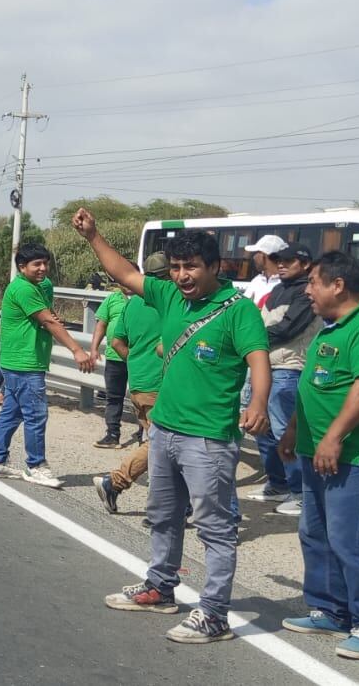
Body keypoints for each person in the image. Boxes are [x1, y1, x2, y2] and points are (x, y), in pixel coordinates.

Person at [75, 211, 270, 645]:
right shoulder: (169, 296)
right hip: (164, 429)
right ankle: (160, 588)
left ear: (214, 267)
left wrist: (258, 402)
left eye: (192, 267)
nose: (182, 275)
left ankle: (214, 614)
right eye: (177, 267)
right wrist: (93, 235)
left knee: (214, 528)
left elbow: (259, 359)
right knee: (163, 516)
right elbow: (123, 272)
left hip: (209, 437)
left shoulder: (238, 311)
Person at [273, 254, 359, 661]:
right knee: (315, 534)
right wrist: (294, 430)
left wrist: (333, 437)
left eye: (313, 282)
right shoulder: (329, 328)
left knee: (352, 541)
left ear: (338, 285)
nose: (307, 291)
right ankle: (330, 611)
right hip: (317, 453)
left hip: (355, 458)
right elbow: (315, 384)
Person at [0, 245, 94, 490]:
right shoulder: (23, 288)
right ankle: (36, 466)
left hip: (21, 360)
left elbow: (49, 314)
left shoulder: (42, 285)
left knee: (12, 413)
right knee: (36, 414)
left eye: (45, 263)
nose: (43, 268)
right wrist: (77, 350)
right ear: (22, 267)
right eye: (36, 264)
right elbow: (48, 321)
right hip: (24, 362)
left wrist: (52, 316)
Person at [245, 241, 321, 516]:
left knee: (284, 433)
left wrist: (250, 339)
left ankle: (301, 493)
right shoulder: (278, 289)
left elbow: (287, 329)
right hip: (265, 367)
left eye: (288, 261)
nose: (281, 264)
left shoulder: (306, 292)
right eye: (278, 260)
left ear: (305, 264)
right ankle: (278, 484)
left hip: (288, 369)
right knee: (262, 430)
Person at [93, 252, 169, 513]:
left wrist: (136, 362)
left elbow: (116, 341)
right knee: (162, 443)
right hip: (160, 384)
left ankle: (170, 504)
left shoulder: (133, 303)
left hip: (139, 382)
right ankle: (116, 482)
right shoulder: (170, 301)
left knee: (160, 443)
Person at [90, 274, 132, 448]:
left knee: (141, 397)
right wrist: (94, 348)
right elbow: (101, 324)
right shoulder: (112, 299)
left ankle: (144, 434)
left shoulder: (146, 300)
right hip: (115, 357)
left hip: (139, 357)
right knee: (114, 397)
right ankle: (112, 434)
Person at [241, 235, 287, 304]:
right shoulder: (257, 280)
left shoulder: (285, 283)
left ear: (264, 255)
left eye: (256, 253)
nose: (254, 257)